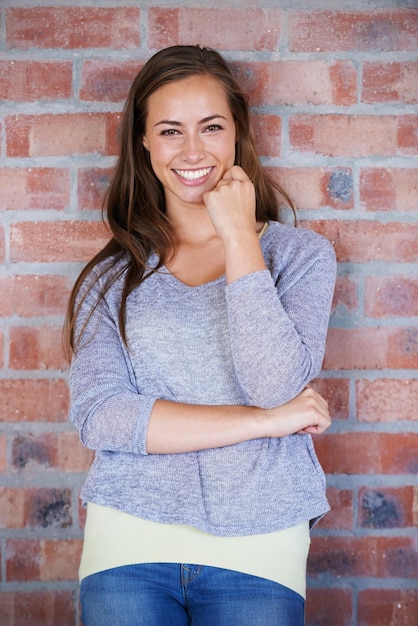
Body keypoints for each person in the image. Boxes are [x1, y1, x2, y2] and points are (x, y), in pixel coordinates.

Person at [65, 45, 337, 626]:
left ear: (237, 131)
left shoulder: (301, 257)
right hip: (129, 537)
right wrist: (268, 423)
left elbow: (274, 382)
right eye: (170, 131)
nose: (193, 151)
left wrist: (239, 237)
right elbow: (102, 418)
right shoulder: (111, 278)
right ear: (142, 140)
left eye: (212, 127)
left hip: (260, 537)